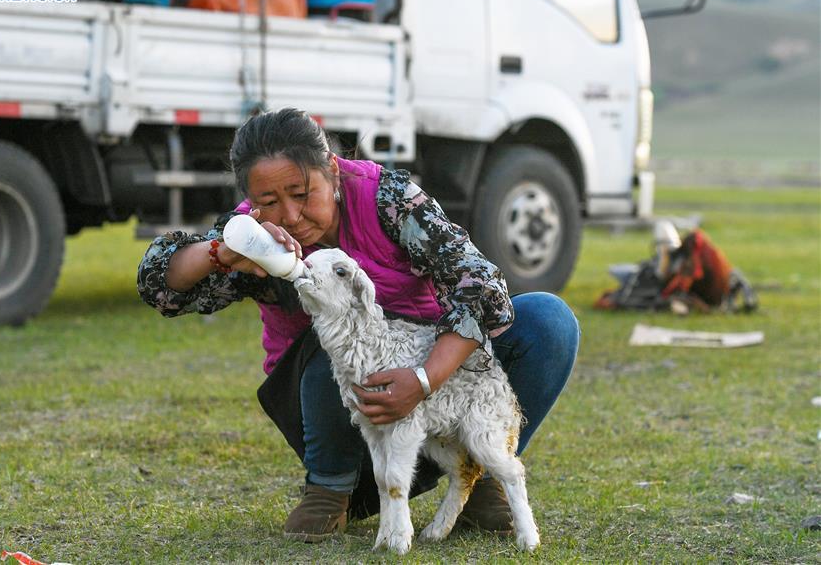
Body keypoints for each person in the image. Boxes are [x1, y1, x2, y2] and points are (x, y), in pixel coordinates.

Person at [137, 107, 580, 542]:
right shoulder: (255, 235)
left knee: (548, 320)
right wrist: (222, 251)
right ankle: (330, 488)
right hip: (345, 425)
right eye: (269, 202)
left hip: (440, 403)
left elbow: (480, 284)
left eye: (301, 192)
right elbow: (158, 281)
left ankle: (480, 478)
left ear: (332, 170)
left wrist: (423, 381)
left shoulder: (390, 201)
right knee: (332, 324)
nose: (289, 216)